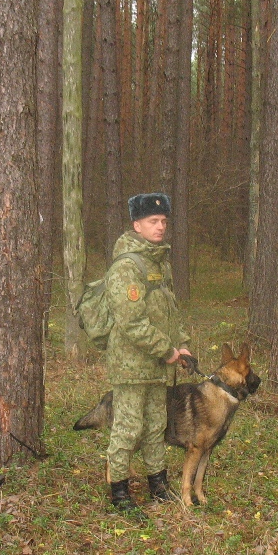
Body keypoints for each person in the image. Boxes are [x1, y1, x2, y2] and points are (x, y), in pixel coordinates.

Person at [104, 193, 191, 514]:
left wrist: (181, 344)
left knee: (156, 425)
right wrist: (165, 349)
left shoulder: (159, 262)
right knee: (128, 428)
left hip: (158, 364)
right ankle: (119, 492)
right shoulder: (126, 266)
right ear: (136, 224)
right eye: (153, 221)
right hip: (131, 365)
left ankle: (158, 484)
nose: (160, 227)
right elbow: (131, 321)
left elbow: (171, 311)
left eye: (164, 221)